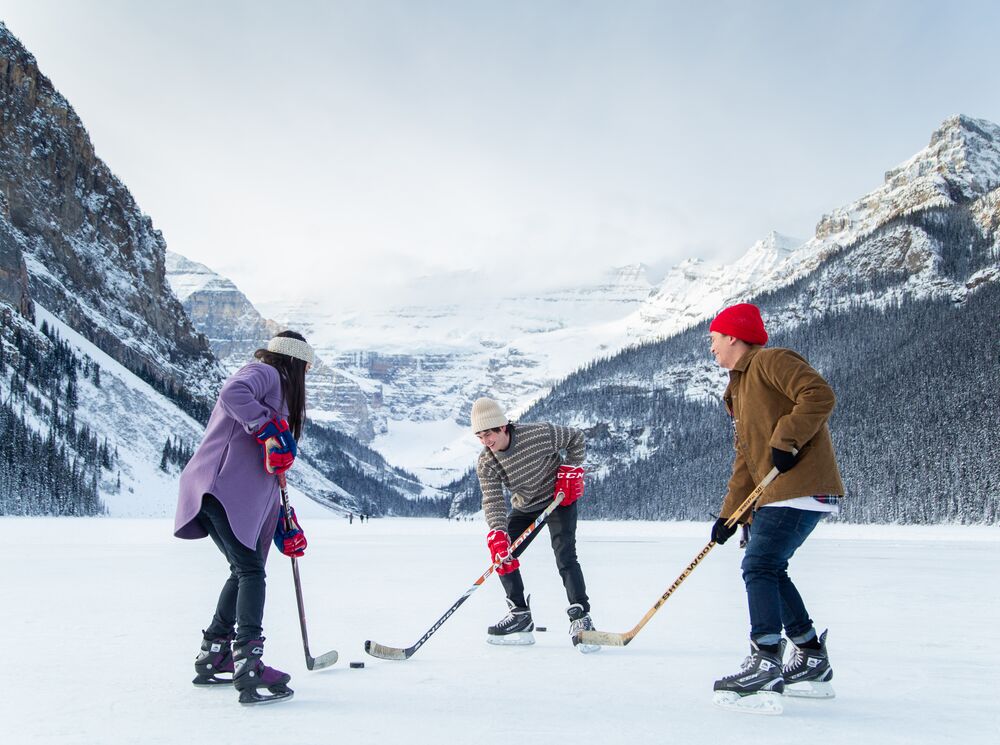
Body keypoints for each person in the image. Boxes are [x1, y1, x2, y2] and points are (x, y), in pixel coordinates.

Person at [706, 303, 844, 709]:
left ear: (733, 336)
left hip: (797, 485)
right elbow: (746, 459)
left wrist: (787, 439)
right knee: (768, 566)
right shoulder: (737, 387)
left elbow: (819, 394)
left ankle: (766, 659)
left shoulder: (770, 361)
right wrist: (729, 515)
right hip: (777, 492)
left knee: (760, 566)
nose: (711, 348)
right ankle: (810, 656)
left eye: (714, 338)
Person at [174, 331, 314, 706]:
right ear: (296, 363)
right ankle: (248, 662)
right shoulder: (266, 372)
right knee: (251, 572)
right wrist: (267, 427)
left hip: (235, 495)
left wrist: (285, 521)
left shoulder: (278, 390)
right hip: (219, 487)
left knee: (244, 570)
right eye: (307, 370)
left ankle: (214, 654)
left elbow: (270, 469)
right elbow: (233, 393)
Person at [470, 397, 598, 653]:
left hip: (558, 499)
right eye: (480, 436)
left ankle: (580, 617)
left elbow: (576, 438)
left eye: (488, 434)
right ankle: (520, 615)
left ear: (502, 427)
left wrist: (569, 472)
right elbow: (492, 499)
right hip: (525, 508)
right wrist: (497, 532)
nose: (486, 442)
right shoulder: (487, 462)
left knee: (565, 555)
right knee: (502, 555)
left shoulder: (539, 434)